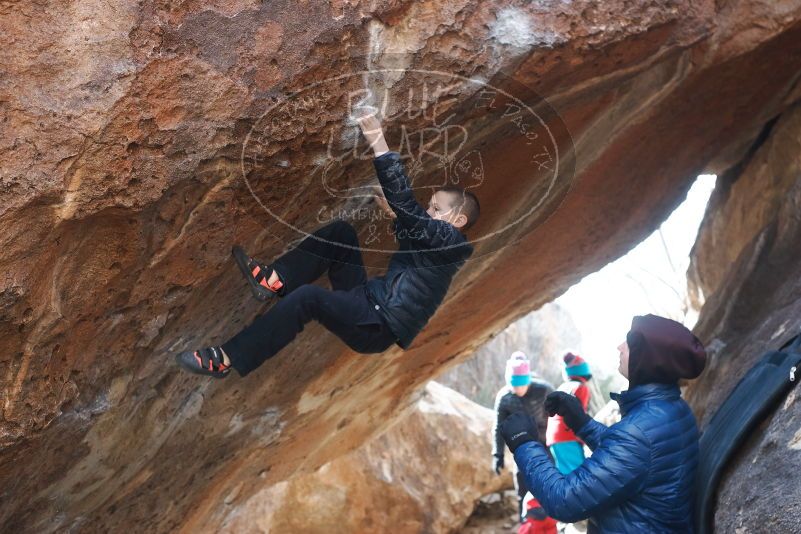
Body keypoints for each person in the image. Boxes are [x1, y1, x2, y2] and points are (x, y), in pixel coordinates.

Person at [175, 112, 480, 378]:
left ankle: (227, 359)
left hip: (378, 322)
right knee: (342, 234)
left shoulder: (450, 242)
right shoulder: (439, 244)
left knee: (309, 299)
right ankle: (274, 280)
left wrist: (379, 144)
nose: (429, 212)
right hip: (368, 301)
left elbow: (408, 209)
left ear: (458, 221)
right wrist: (396, 215)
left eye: (436, 209)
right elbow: (413, 231)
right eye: (430, 206)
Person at [500, 314, 707, 533]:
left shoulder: (640, 430)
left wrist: (523, 444)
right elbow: (630, 458)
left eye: (630, 343)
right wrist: (581, 422)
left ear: (648, 359)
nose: (620, 347)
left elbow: (564, 500)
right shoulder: (672, 408)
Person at [492, 351, 555, 523]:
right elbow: (499, 427)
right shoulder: (504, 398)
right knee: (523, 492)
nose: (518, 389)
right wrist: (497, 454)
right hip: (522, 450)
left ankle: (550, 525)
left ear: (528, 380)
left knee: (547, 489)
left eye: (521, 385)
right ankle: (524, 524)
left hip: (546, 446)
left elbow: (561, 416)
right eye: (514, 386)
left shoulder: (544, 390)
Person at [546, 352, 592, 474]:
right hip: (567, 436)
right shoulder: (581, 387)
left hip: (553, 436)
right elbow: (579, 415)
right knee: (578, 477)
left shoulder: (563, 387)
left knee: (565, 476)